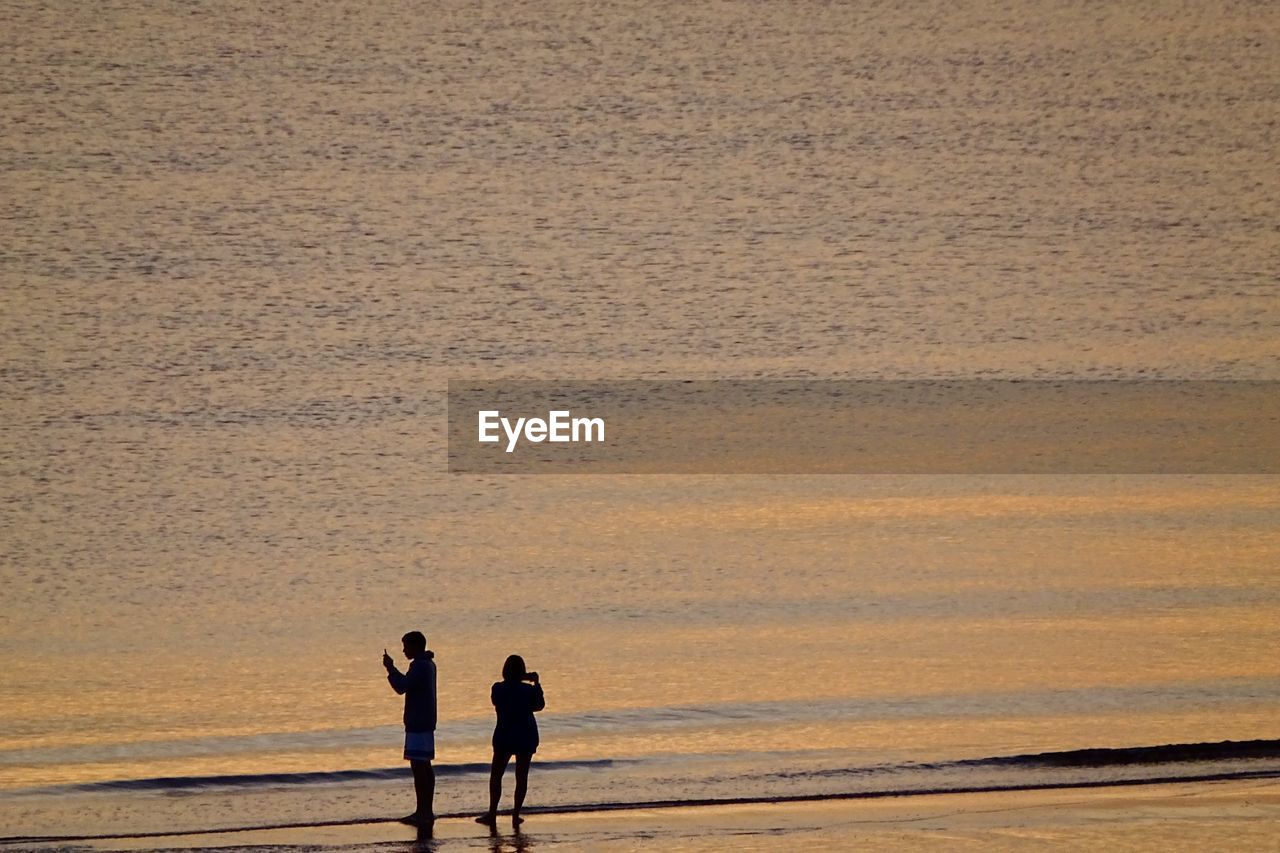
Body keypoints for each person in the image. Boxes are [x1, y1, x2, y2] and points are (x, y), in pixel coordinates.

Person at [475, 654, 545, 827]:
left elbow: (496, 701)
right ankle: (515, 814)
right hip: (526, 735)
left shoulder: (498, 688)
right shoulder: (528, 690)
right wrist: (536, 684)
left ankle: (492, 813)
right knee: (521, 777)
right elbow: (539, 705)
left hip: (505, 735)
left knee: (496, 776)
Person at [383, 631, 437, 827]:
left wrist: (390, 668)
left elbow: (401, 686)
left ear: (415, 647)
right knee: (424, 767)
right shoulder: (427, 664)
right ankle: (425, 811)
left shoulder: (421, 666)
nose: (404, 650)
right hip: (424, 722)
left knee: (419, 768)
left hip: (418, 723)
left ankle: (423, 812)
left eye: (406, 646)